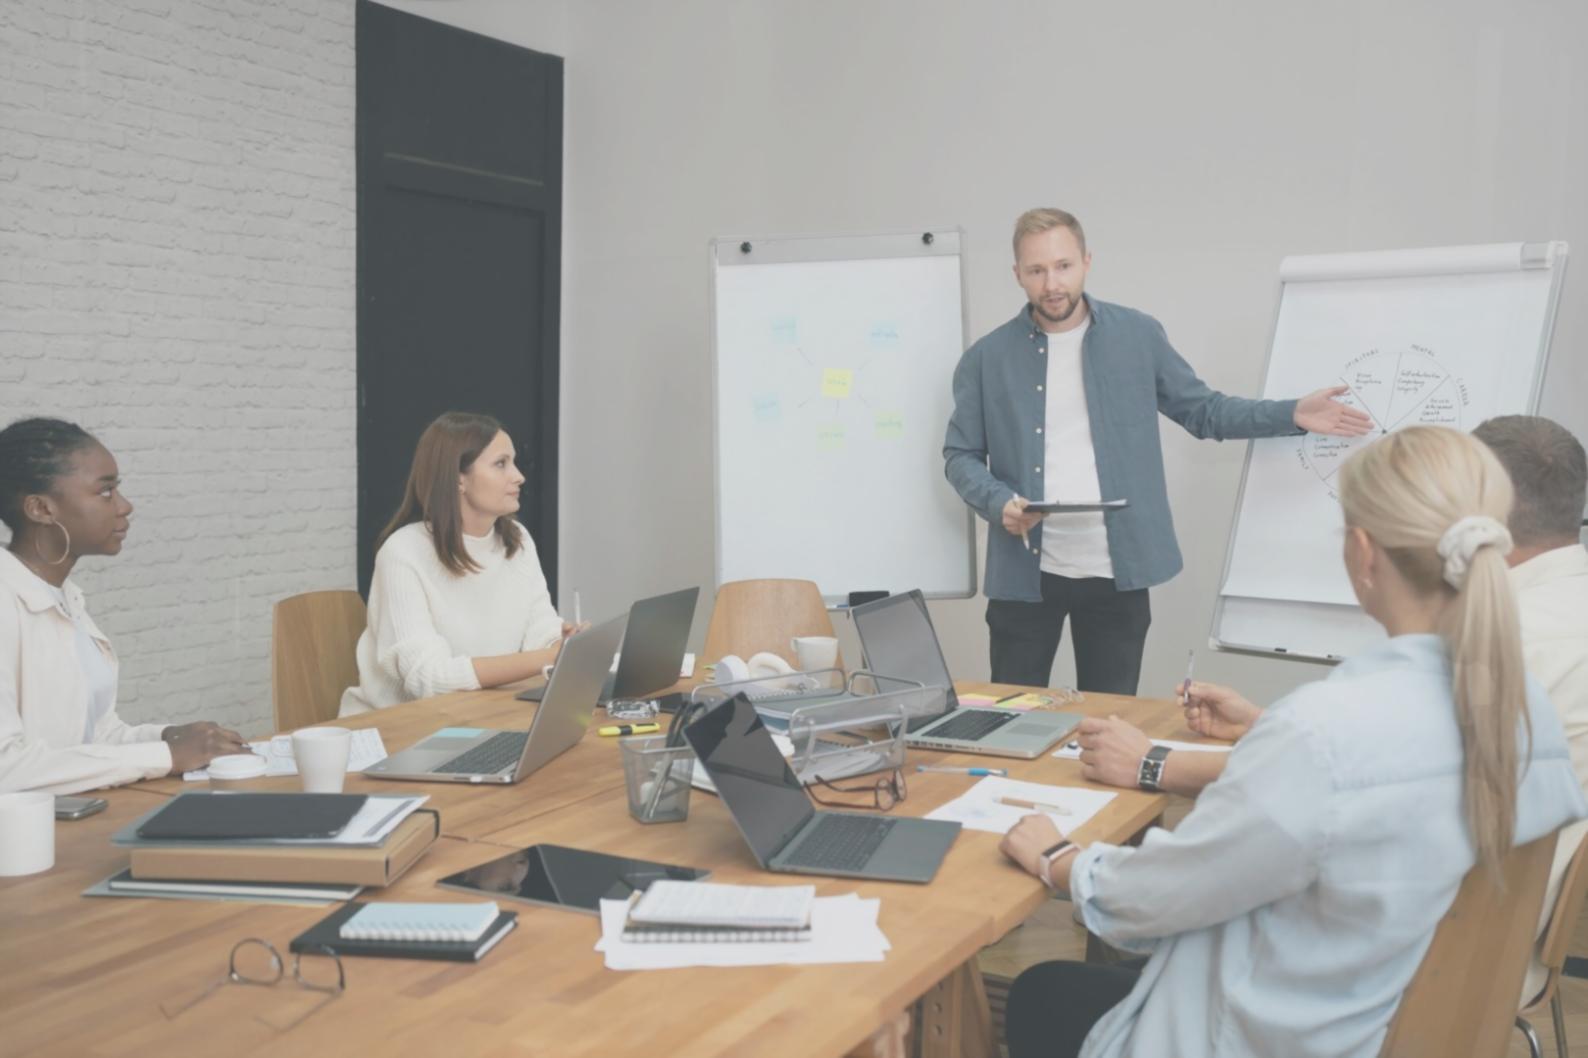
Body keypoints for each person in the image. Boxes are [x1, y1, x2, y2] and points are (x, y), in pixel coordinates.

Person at [997, 426, 1586, 1058]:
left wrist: (1059, 857)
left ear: (1363, 554)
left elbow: (1154, 902)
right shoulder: (1522, 708)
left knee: (1042, 993)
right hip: (1402, 1008)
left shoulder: (1327, 730)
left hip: (1286, 1029)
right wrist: (1266, 731)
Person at [943, 208, 1372, 694]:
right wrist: (999, 503)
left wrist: (1291, 412)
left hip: (1116, 574)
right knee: (1011, 715)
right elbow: (960, 455)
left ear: (1086, 261)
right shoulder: (985, 359)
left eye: (1063, 266)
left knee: (1111, 725)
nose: (1052, 283)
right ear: (1017, 274)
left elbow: (1204, 412)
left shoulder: (1138, 336)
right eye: (1037, 270)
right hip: (1025, 574)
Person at [0, 417, 249, 794]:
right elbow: (7, 768)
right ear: (41, 509)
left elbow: (93, 738)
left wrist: (168, 737)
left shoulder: (65, 596)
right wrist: (165, 756)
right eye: (105, 492)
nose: (125, 506)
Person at [341, 411, 572, 715]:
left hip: (477, 715)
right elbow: (429, 678)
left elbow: (539, 626)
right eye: (501, 464)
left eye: (513, 462)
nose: (519, 476)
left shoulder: (517, 539)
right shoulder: (402, 553)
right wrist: (549, 658)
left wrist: (562, 642)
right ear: (458, 478)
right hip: (397, 728)